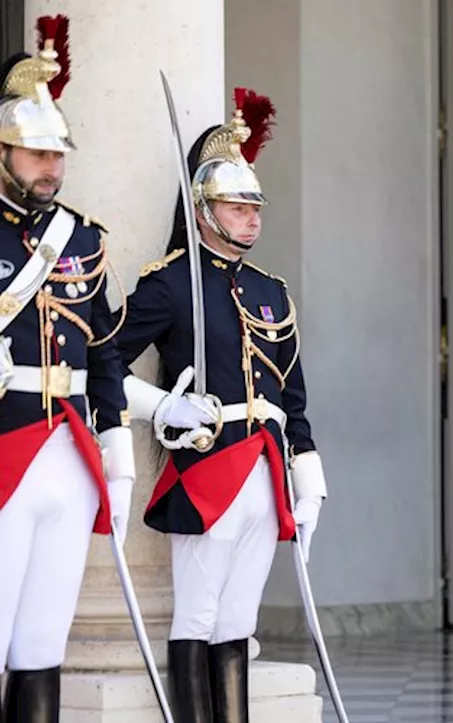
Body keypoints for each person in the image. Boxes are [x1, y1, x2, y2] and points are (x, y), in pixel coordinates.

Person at [113, 88, 328, 723]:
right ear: (204, 210)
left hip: (265, 468)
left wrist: (308, 473)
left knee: (238, 621)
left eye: (254, 205)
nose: (251, 217)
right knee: (198, 616)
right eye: (236, 206)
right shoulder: (171, 284)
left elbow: (292, 391)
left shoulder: (270, 291)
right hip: (207, 466)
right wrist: (162, 409)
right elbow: (105, 361)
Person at [0, 17, 137, 720]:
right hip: (3, 452)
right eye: (35, 154)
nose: (51, 168)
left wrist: (117, 455)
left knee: (41, 644)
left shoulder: (81, 237)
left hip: (70, 453)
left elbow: (107, 351)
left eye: (58, 154)